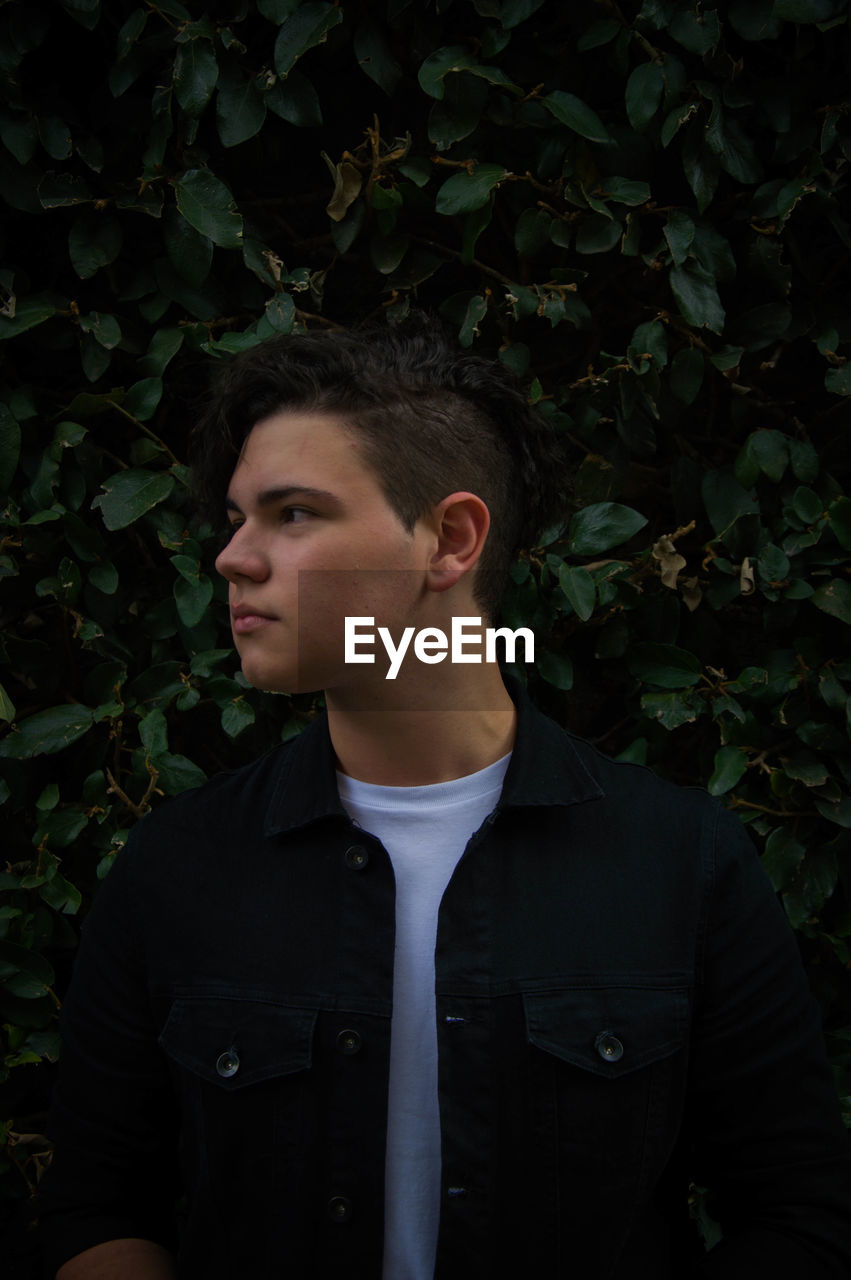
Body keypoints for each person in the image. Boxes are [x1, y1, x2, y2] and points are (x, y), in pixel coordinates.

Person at [39, 321, 851, 1279]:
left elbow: (802, 1216)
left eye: (292, 513)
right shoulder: (177, 867)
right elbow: (92, 1209)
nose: (233, 558)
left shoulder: (681, 865)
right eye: (236, 517)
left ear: (450, 538)